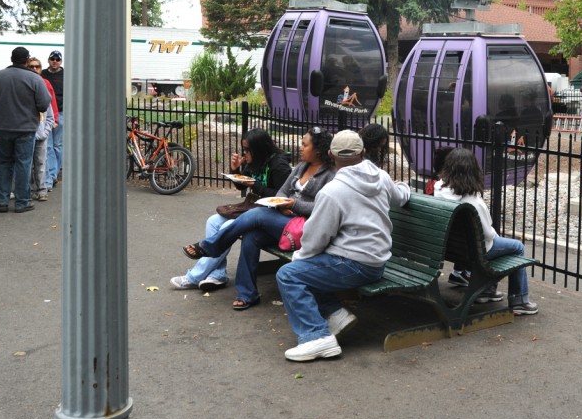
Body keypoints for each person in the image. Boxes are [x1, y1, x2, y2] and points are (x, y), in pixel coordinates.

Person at [276, 129, 411, 362]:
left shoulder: (332, 192)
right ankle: (335, 315)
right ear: (363, 152)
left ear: (331, 154)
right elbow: (400, 197)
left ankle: (316, 337)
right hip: (376, 260)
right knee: (310, 267)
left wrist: (299, 258)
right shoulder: (380, 176)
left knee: (289, 274)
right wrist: (405, 187)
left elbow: (315, 239)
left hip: (353, 263)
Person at [181, 127, 334, 309]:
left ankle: (210, 246)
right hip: (284, 220)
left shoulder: (330, 174)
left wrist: (293, 204)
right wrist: (281, 202)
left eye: (304, 145)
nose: (300, 148)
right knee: (251, 235)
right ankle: (248, 294)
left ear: (317, 149)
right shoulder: (302, 167)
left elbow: (323, 208)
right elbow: (282, 191)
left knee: (257, 214)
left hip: (305, 226)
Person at [172, 128, 294, 295]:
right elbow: (243, 184)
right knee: (213, 221)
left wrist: (255, 185)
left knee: (228, 225)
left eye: (247, 150)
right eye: (243, 149)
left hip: (269, 216)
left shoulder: (278, 165)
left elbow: (282, 197)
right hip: (252, 208)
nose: (244, 153)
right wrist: (236, 170)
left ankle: (194, 277)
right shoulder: (256, 161)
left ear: (258, 149)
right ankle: (218, 274)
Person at [434, 148, 538, 316]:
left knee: (499, 245)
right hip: (476, 251)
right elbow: (488, 235)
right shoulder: (473, 201)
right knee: (517, 247)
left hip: (453, 249)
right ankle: (519, 300)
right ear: (473, 170)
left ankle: (487, 291)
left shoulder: (439, 189)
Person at [0, 47, 51, 213]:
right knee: (23, 164)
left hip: (2, 128)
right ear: (27, 60)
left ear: (12, 59)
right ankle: (22, 201)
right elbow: (43, 103)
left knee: (4, 163)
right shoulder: (34, 79)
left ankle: (2, 200)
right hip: (25, 128)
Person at [423, 146, 469, 287]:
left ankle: (460, 272)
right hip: (451, 242)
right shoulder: (448, 186)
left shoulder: (433, 182)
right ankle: (462, 272)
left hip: (435, 236)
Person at [25, 58, 56, 202]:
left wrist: (46, 130)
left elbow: (50, 112)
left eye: (37, 67)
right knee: (27, 164)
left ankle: (42, 189)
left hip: (41, 134)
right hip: (26, 133)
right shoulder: (24, 87)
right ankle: (30, 189)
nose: (34, 69)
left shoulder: (44, 86)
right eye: (31, 66)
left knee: (41, 163)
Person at [41, 49, 64, 191]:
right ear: (48, 60)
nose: (54, 61)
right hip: (46, 113)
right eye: (52, 59)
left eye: (57, 59)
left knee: (58, 145)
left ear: (60, 61)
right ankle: (50, 177)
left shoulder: (66, 74)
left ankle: (53, 173)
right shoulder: (43, 74)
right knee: (48, 145)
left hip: (61, 112)